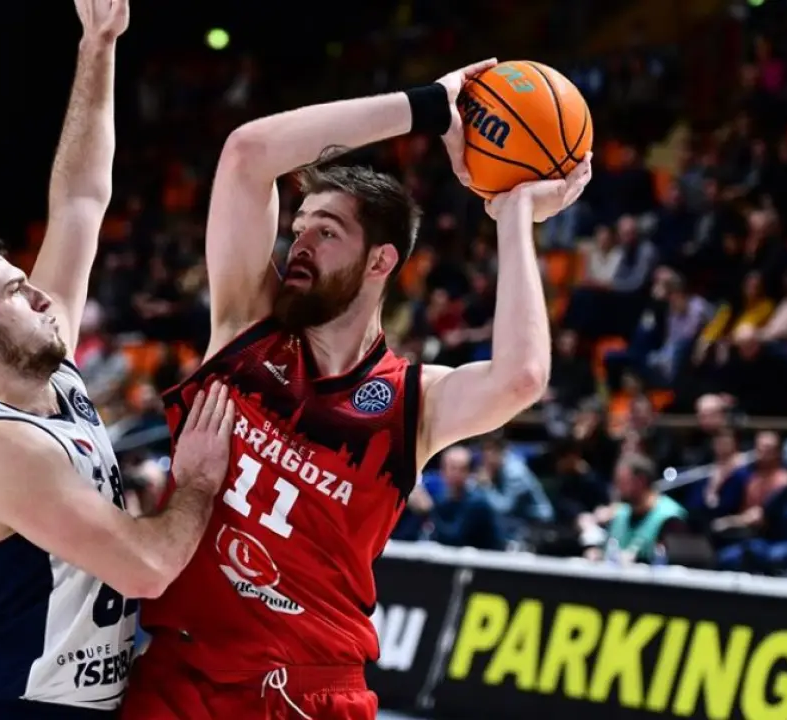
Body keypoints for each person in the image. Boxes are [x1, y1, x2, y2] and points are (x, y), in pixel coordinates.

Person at [123, 60, 592, 718]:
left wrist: (512, 215)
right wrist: (428, 106)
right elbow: (248, 154)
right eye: (299, 227)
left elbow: (521, 377)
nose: (300, 243)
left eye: (327, 231)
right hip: (180, 673)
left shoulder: (412, 402)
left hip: (308, 692)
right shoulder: (244, 327)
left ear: (381, 261)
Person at [0, 3, 235, 718]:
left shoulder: (54, 374)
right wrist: (198, 482)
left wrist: (98, 44)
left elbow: (79, 200)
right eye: (16, 292)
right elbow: (147, 568)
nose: (43, 296)